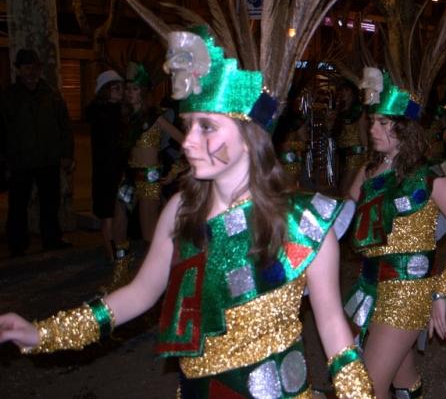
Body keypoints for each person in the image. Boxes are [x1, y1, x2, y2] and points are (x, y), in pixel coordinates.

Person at [0, 30, 376, 398]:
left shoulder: (304, 222)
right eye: (187, 126)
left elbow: (332, 328)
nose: (189, 142)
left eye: (207, 127)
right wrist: (44, 334)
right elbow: (137, 295)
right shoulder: (182, 209)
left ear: (250, 138)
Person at [345, 68, 446, 399]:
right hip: (369, 286)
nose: (373, 128)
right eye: (372, 120)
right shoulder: (368, 171)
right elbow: (340, 219)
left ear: (405, 128)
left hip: (408, 293)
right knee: (402, 378)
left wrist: (441, 291)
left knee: (365, 390)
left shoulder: (431, 178)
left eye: (383, 122)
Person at [103, 62, 185, 292]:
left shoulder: (156, 118)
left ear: (144, 92)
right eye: (128, 88)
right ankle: (120, 275)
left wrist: (174, 171)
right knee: (118, 227)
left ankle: (173, 270)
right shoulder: (127, 118)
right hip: (130, 175)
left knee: (150, 233)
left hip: (149, 177)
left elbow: (185, 142)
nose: (130, 92)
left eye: (135, 89)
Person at [0, 49, 74, 257]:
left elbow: (65, 126)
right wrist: (5, 163)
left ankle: (51, 239)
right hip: (19, 161)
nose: (31, 71)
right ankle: (17, 245)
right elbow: (2, 132)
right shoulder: (8, 97)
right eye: (27, 67)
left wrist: (66, 152)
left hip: (48, 159)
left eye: (35, 67)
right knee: (17, 206)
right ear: (19, 70)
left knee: (50, 202)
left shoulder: (51, 94)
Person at [85, 70, 126, 261]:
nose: (120, 91)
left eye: (121, 87)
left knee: (117, 214)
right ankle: (112, 257)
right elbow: (109, 144)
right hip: (107, 171)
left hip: (119, 169)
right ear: (105, 90)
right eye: (115, 88)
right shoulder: (100, 114)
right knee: (107, 214)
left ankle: (118, 254)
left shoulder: (120, 112)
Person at [332, 80, 368, 197]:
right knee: (343, 188)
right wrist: (331, 119)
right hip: (342, 150)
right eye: (342, 90)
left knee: (345, 188)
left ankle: (351, 214)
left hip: (354, 151)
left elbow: (363, 132)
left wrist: (366, 152)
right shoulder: (339, 108)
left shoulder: (358, 110)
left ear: (353, 92)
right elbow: (331, 131)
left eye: (346, 90)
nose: (343, 93)